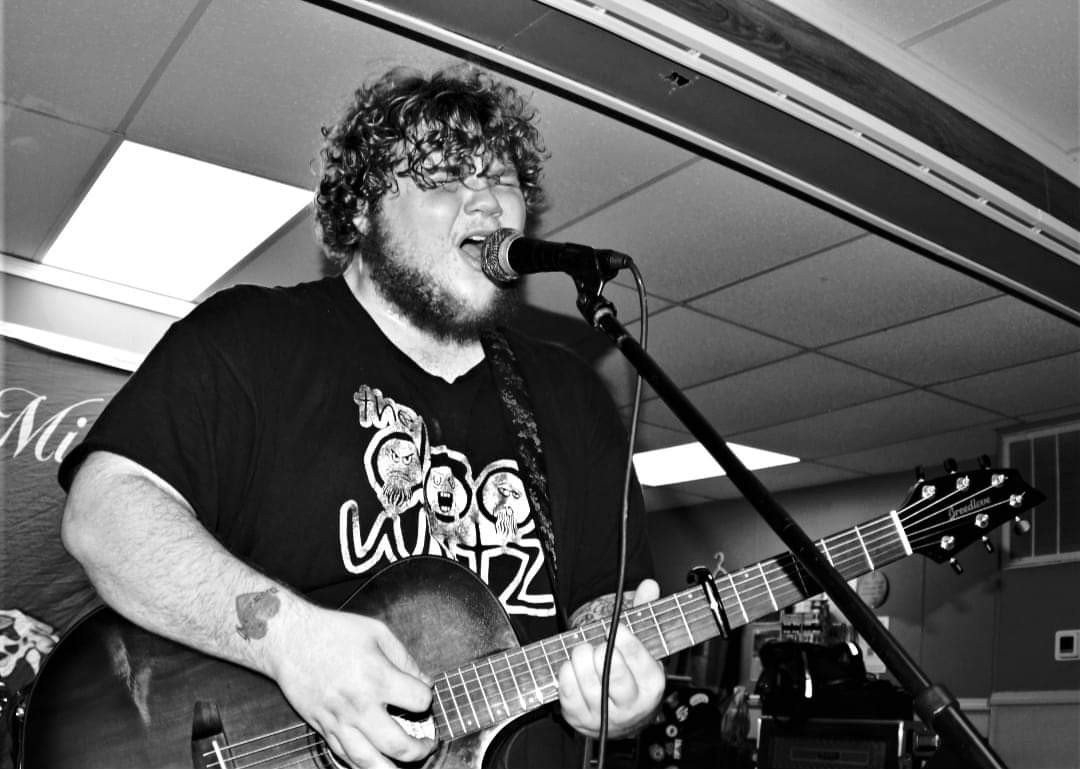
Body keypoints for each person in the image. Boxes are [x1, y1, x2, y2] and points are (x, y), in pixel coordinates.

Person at [58, 65, 664, 768]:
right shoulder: (254, 339)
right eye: (444, 178)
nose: (487, 203)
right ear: (359, 213)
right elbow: (103, 514)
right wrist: (293, 643)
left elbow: (602, 613)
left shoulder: (572, 395)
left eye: (501, 178)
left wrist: (623, 693)